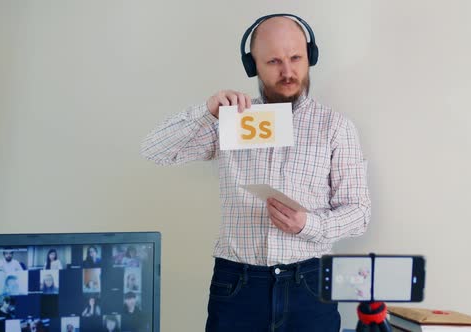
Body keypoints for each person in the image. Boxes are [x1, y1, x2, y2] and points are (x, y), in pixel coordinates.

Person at [141, 13, 371, 331]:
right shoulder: (230, 118)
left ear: (310, 57)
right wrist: (207, 112)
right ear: (253, 66)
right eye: (274, 61)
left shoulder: (335, 127)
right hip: (237, 285)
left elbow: (359, 213)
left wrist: (309, 225)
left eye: (296, 58)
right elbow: (156, 151)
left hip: (310, 285)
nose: (288, 71)